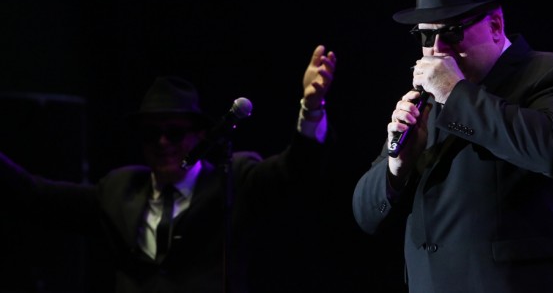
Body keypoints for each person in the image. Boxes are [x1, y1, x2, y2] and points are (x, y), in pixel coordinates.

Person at [0, 44, 337, 293]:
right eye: (151, 134)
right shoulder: (119, 190)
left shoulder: (232, 179)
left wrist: (311, 108)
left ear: (199, 134)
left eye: (174, 132)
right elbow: (34, 195)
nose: (163, 142)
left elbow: (296, 171)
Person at [352, 0, 553, 293]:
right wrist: (396, 167)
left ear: (495, 26)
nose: (437, 51)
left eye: (451, 33)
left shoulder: (552, 74)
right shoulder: (426, 100)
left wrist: (455, 93)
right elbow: (364, 214)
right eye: (426, 37)